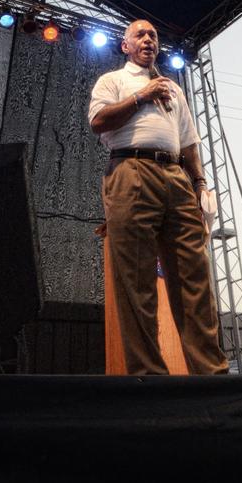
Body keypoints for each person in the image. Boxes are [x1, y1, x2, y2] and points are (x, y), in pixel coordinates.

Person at [88, 19, 228, 376]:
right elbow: (98, 121)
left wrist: (199, 184)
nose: (149, 39)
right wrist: (141, 96)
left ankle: (211, 373)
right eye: (140, 35)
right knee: (137, 283)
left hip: (177, 177)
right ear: (125, 46)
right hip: (131, 170)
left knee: (195, 278)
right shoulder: (113, 81)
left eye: (153, 35)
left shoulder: (174, 89)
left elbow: (188, 143)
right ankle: (149, 376)